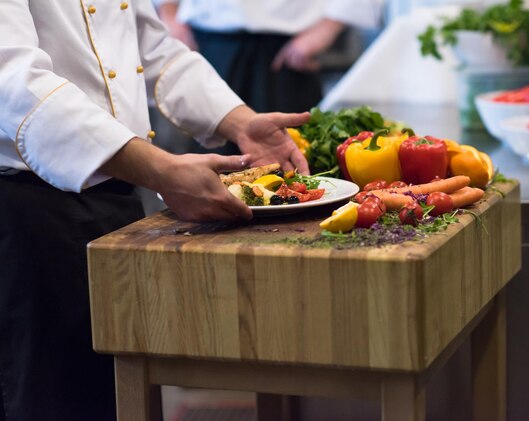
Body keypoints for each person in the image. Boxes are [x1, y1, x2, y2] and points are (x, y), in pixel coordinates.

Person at [0, 1, 309, 420]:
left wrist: (238, 121)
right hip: (25, 210)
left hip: (116, 196)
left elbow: (154, 49)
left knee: (113, 393)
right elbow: (12, 80)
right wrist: (162, 170)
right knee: (51, 397)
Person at [156, 0, 384, 114]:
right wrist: (168, 10)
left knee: (293, 166)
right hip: (208, 43)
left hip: (285, 52)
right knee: (212, 164)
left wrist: (329, 26)